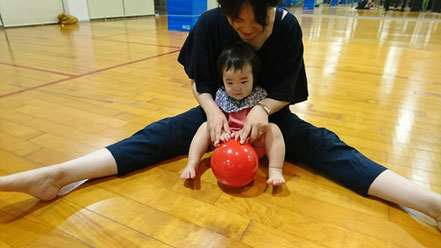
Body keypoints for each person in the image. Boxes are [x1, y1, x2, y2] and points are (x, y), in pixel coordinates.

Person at [0, 0, 440, 231]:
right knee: (161, 134)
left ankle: (427, 204)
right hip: (220, 111)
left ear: (273, 8)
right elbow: (198, 80)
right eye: (237, 19)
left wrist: (263, 114)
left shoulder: (287, 27)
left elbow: (288, 89)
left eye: (256, 21)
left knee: (324, 145)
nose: (245, 28)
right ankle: (59, 174)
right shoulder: (211, 23)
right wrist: (211, 111)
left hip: (269, 116)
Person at [180, 41, 286, 185]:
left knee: (274, 129)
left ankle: (275, 169)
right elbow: (217, 121)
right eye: (230, 82)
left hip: (253, 141)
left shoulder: (259, 96)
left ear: (254, 77)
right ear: (222, 80)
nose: (237, 88)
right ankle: (192, 163)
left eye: (243, 82)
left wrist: (254, 133)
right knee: (204, 126)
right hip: (224, 141)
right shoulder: (222, 96)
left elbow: (261, 123)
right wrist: (221, 133)